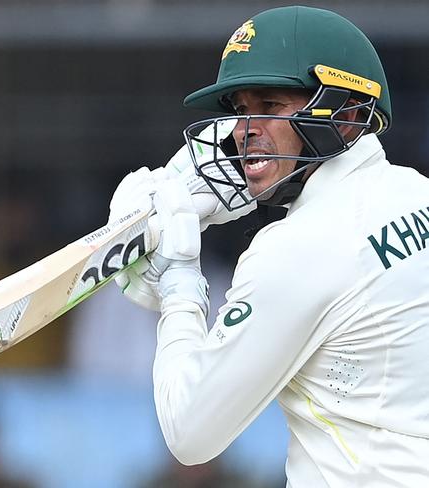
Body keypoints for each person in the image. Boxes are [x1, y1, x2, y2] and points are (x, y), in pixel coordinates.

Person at [109, 6, 429, 487]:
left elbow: (189, 432)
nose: (244, 131)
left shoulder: (296, 248)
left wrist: (178, 281)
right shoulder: (417, 192)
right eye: (240, 111)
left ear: (347, 116)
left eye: (271, 106)